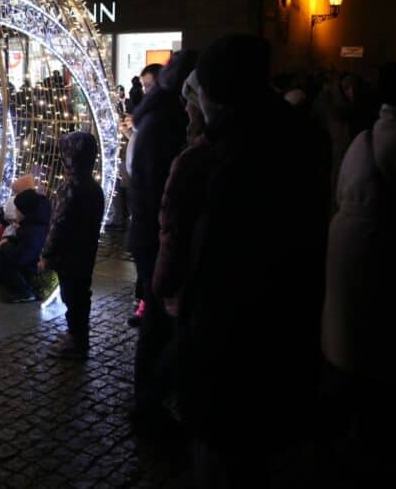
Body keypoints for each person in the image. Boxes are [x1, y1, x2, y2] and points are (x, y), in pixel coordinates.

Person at [153, 35, 328, 487]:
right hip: (286, 330)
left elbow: (200, 253)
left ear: (215, 92)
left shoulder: (218, 156)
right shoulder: (302, 136)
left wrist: (172, 292)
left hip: (226, 337)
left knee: (222, 453)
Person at [322, 63, 396, 486]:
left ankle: (343, 417)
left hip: (347, 239)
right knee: (378, 332)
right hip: (381, 242)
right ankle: (368, 430)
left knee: (348, 329)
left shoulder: (364, 137)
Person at [127, 51, 196, 432]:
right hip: (156, 236)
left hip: (151, 233)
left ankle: (151, 401)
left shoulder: (155, 118)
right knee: (160, 320)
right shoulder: (166, 123)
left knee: (159, 319)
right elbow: (160, 194)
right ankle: (149, 405)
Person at [38, 131, 105, 359]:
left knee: (73, 297)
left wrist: (47, 254)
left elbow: (59, 224)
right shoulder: (93, 187)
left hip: (69, 256)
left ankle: (77, 341)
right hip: (85, 253)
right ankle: (76, 335)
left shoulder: (72, 188)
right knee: (79, 295)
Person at [0, 188, 51, 302]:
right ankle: (2, 278)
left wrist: (5, 245)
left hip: (28, 265)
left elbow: (21, 257)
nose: (15, 212)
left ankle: (25, 292)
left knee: (6, 257)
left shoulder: (34, 230)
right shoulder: (30, 222)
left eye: (18, 210)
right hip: (22, 256)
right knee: (0, 250)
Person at [0, 174, 35, 250]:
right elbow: (6, 221)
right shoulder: (15, 201)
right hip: (10, 233)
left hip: (15, 238)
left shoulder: (31, 207)